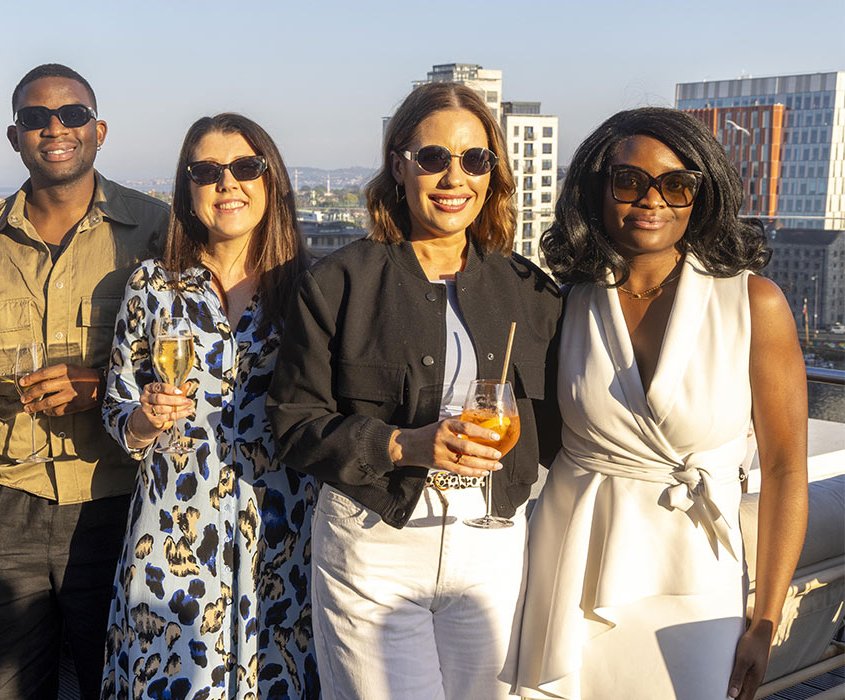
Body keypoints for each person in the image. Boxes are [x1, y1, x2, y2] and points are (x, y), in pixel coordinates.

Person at [266, 82, 562, 700]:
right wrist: (405, 445)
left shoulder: (530, 292)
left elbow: (563, 428)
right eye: (433, 158)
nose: (454, 177)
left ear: (493, 172)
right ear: (399, 164)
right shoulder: (337, 283)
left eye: (474, 159)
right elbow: (293, 424)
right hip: (375, 543)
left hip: (491, 545)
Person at [511, 108, 808, 700]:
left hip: (696, 578)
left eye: (676, 184)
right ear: (596, 189)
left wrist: (765, 618)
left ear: (702, 196)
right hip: (570, 566)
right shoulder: (564, 306)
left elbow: (783, 470)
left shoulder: (754, 304)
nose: (652, 200)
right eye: (629, 181)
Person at [0, 62, 169, 699]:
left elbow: (189, 360)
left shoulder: (155, 231)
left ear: (98, 130)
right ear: (13, 136)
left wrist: (102, 387)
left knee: (123, 684)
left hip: (120, 500)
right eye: (36, 118)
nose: (55, 128)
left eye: (71, 115)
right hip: (3, 503)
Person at [100, 113, 319, 699]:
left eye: (246, 168)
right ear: (186, 187)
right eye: (207, 172)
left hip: (281, 528)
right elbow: (117, 406)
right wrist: (144, 419)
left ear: (271, 180)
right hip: (173, 529)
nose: (228, 184)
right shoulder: (151, 285)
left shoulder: (310, 289)